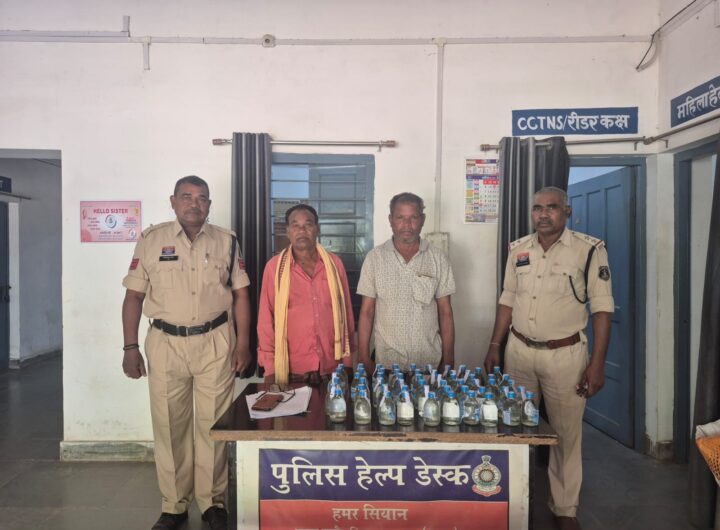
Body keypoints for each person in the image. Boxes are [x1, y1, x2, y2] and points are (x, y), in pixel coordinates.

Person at [121, 175, 251, 530]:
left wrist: (243, 343)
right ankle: (174, 505)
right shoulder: (151, 240)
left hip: (215, 341)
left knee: (213, 425)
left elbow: (241, 294)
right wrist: (130, 347)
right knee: (169, 425)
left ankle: (212, 503)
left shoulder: (226, 241)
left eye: (202, 198)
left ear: (209, 204)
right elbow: (133, 296)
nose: (195, 204)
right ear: (173, 201)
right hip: (165, 343)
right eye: (187, 197)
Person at [483, 186, 613, 530]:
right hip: (519, 352)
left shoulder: (589, 250)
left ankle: (565, 509)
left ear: (567, 212)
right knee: (514, 430)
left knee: (565, 435)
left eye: (552, 207)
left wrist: (597, 363)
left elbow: (602, 309)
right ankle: (512, 500)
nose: (543, 214)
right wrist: (495, 344)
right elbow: (508, 298)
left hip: (565, 356)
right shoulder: (519, 250)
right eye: (537, 208)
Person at [357, 192, 455, 373]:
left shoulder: (438, 258)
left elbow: (445, 312)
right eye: (400, 218)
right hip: (386, 364)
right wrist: (363, 357)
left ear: (422, 220)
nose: (407, 225)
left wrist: (448, 359)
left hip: (428, 364)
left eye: (413, 218)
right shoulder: (374, 258)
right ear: (391, 220)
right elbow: (367, 311)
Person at [257, 204, 355, 385]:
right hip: (291, 371)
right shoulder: (274, 268)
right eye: (295, 225)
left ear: (317, 229)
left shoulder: (334, 264)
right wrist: (270, 369)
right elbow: (266, 321)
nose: (302, 230)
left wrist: (348, 362)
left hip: (332, 368)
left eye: (308, 224)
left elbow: (346, 313)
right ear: (288, 231)